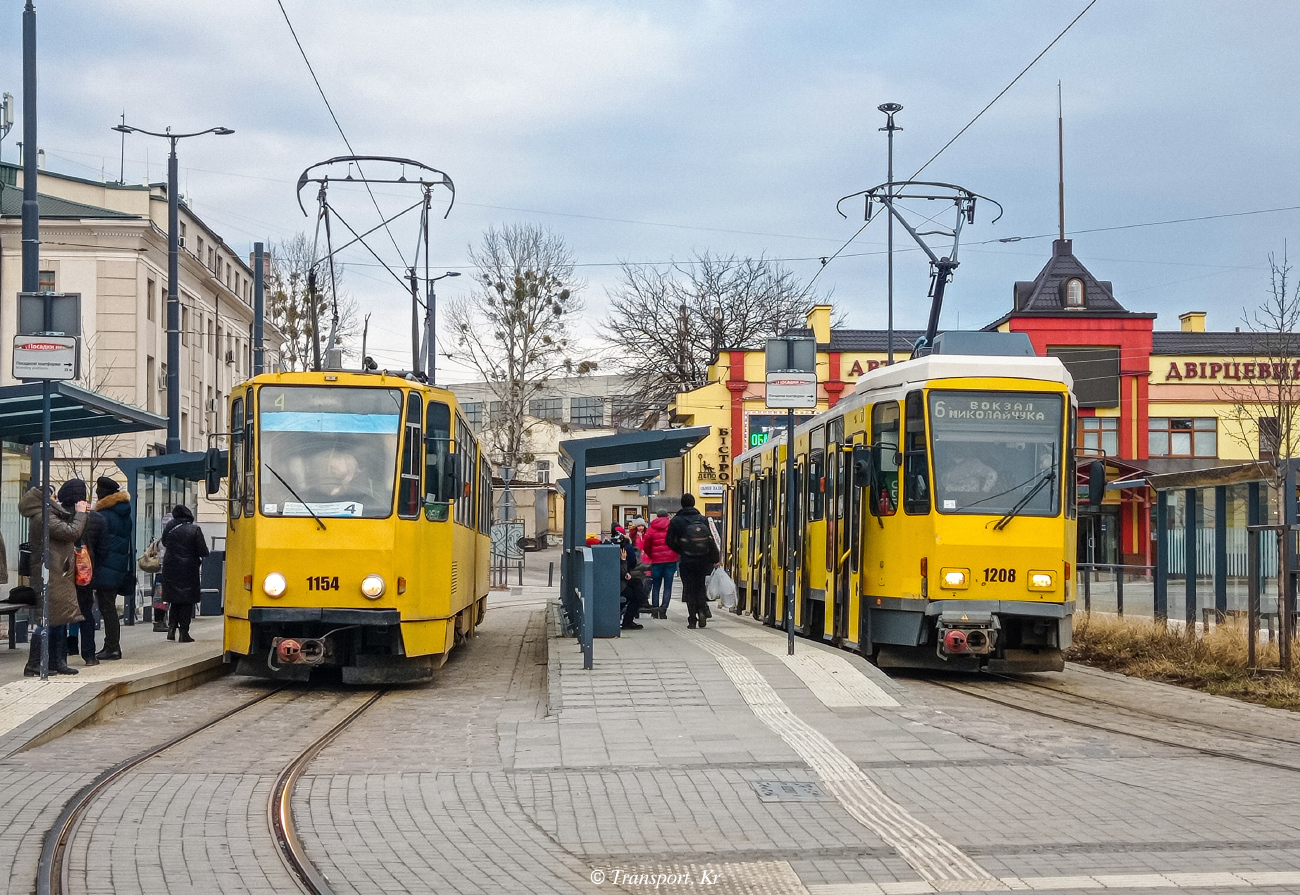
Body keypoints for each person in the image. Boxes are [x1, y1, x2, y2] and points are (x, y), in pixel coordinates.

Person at [19, 481, 89, 676]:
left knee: (60, 617)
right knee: (48, 619)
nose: (56, 499)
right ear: (45, 499)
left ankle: (57, 661)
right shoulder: (43, 516)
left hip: (58, 572)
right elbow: (71, 532)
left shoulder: (48, 514)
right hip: (50, 573)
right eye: (53, 496)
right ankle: (34, 663)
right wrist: (81, 513)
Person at [89, 477, 131, 661]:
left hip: (105, 568)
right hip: (118, 566)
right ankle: (111, 646)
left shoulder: (104, 515)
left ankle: (112, 647)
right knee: (109, 608)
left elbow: (100, 544)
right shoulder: (123, 514)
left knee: (107, 609)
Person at [665, 493, 720, 630]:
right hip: (703, 559)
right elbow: (710, 539)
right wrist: (714, 558)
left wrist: (681, 549)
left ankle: (692, 620)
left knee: (689, 589)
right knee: (700, 586)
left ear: (682, 504)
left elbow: (669, 541)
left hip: (686, 560)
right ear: (694, 503)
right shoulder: (703, 519)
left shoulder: (676, 521)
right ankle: (702, 610)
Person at [160, 505, 208, 643]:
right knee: (186, 601)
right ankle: (184, 633)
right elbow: (203, 551)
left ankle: (171, 628)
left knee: (174, 599)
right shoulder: (194, 530)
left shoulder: (169, 528)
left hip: (170, 568)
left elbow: (164, 543)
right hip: (188, 569)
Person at [641, 510, 679, 619]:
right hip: (670, 560)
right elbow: (676, 542)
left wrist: (652, 555)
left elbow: (646, 545)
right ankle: (663, 609)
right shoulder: (672, 527)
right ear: (667, 516)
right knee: (667, 586)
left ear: (657, 516)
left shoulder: (652, 528)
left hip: (657, 561)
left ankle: (655, 609)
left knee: (656, 586)